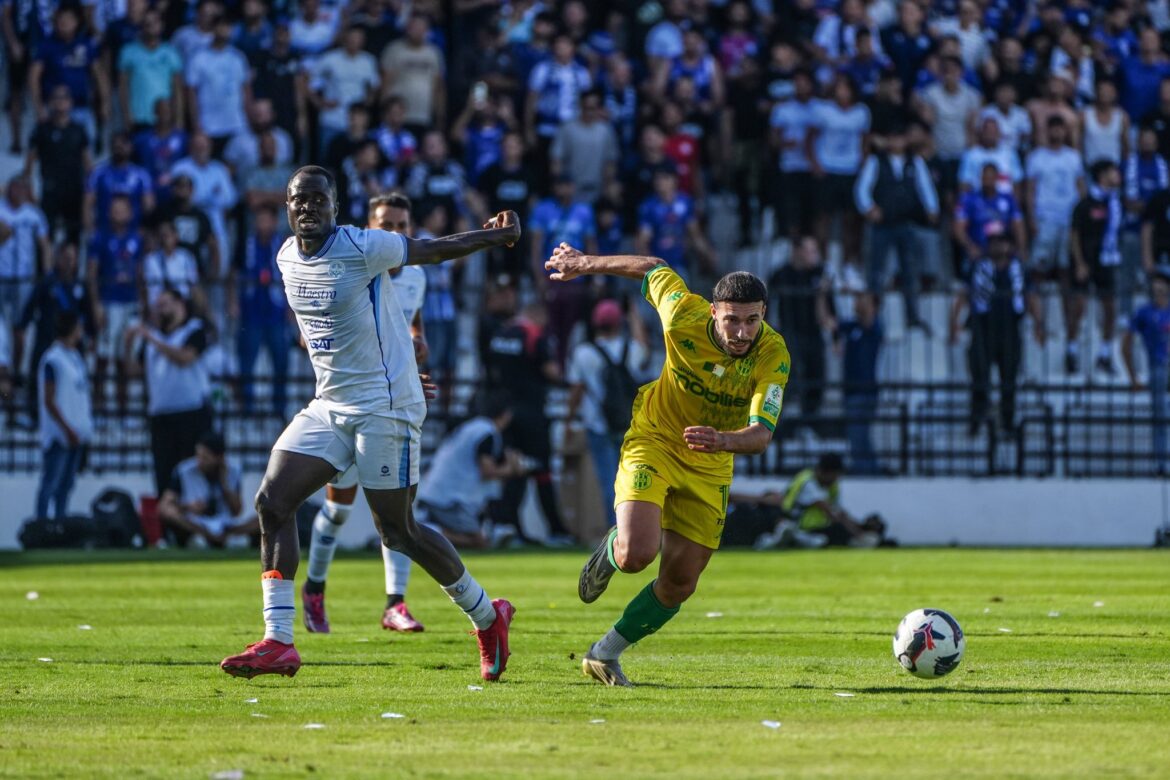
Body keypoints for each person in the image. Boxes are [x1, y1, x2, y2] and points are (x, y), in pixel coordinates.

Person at [219, 166, 520, 682]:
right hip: (329, 405)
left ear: (336, 207)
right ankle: (278, 640)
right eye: (299, 200)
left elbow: (432, 249)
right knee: (272, 501)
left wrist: (494, 236)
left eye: (318, 199)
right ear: (287, 209)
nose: (308, 207)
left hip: (386, 407)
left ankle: (488, 618)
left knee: (398, 531)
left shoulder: (363, 246)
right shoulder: (286, 255)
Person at [544, 243, 790, 687]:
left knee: (680, 581)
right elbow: (653, 267)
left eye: (752, 320)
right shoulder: (683, 314)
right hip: (657, 438)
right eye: (732, 319)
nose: (741, 332)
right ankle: (613, 548)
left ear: (763, 314)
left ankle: (604, 654)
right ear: (713, 311)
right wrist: (583, 265)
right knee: (637, 554)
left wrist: (723, 441)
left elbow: (761, 434)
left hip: (711, 461)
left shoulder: (773, 353)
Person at [301, 192, 433, 635]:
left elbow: (412, 326)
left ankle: (395, 603)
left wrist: (417, 348)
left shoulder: (414, 276)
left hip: (390, 404)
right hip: (346, 400)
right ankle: (314, 589)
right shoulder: (347, 266)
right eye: (385, 224)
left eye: (401, 224)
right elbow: (313, 334)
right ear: (369, 227)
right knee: (339, 510)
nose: (394, 233)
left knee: (397, 511)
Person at [483, 301, 575, 546]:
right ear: (538, 314)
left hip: (505, 414)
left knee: (515, 469)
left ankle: (510, 528)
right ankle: (556, 531)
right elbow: (551, 371)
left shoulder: (500, 333)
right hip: (532, 413)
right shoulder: (534, 334)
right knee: (541, 470)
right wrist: (566, 379)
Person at [949, 229, 1045, 437]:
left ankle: (1007, 423)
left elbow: (1031, 296)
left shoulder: (1019, 267)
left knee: (1009, 378)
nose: (998, 246)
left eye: (1002, 241)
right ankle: (977, 420)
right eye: (993, 241)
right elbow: (963, 293)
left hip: (1010, 328)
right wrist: (954, 323)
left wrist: (1039, 325)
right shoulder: (977, 266)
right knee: (979, 376)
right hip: (982, 327)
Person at [565, 298, 652, 526]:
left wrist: (568, 422)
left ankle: (615, 531)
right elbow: (644, 348)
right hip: (628, 424)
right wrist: (633, 314)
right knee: (631, 480)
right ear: (618, 323)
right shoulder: (630, 349)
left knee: (608, 481)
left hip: (597, 425)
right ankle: (632, 528)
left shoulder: (584, 352)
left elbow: (576, 391)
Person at [125, 289, 213, 496]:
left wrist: (151, 338)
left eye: (165, 304)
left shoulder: (195, 329)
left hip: (191, 414)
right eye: (158, 306)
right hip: (161, 417)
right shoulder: (152, 337)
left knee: (191, 476)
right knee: (163, 476)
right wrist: (127, 344)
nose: (160, 310)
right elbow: (133, 370)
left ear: (179, 303)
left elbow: (184, 358)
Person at [855, 122, 939, 331]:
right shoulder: (876, 160)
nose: (896, 142)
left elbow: (925, 186)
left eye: (900, 138)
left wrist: (932, 207)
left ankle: (912, 316)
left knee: (910, 271)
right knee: (876, 272)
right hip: (882, 225)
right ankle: (873, 316)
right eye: (892, 138)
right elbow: (862, 188)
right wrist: (868, 208)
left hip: (906, 223)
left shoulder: (915, 161)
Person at [415, 392, 527, 548]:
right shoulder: (488, 432)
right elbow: (487, 471)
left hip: (436, 492)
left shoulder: (472, 427)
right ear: (506, 414)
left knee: (477, 539)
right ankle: (425, 533)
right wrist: (512, 469)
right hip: (450, 499)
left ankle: (427, 531)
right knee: (479, 543)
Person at [750, 454, 889, 549]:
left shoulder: (831, 486)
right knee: (838, 531)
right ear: (824, 472)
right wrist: (858, 534)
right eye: (835, 475)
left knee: (841, 529)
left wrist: (860, 526)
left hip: (814, 525)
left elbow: (839, 512)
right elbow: (829, 511)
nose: (836, 479)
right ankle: (798, 537)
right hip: (800, 523)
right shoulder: (808, 482)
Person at [35, 310, 92, 521]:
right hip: (61, 434)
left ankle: (59, 525)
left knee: (66, 486)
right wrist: (66, 429)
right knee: (50, 484)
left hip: (76, 432)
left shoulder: (75, 357)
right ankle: (41, 526)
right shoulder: (53, 359)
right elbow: (49, 400)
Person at [1070, 160, 1125, 375]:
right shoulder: (1085, 204)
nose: (1117, 176)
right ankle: (1071, 351)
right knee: (1079, 307)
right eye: (1113, 172)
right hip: (1087, 259)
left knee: (1110, 308)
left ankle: (1105, 354)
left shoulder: (1115, 203)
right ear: (1103, 176)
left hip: (1107, 260)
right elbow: (1074, 235)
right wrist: (1080, 262)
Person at [159, 431, 259, 547]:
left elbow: (236, 511)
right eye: (198, 455)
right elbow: (164, 506)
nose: (199, 461)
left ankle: (219, 538)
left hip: (225, 524)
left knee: (262, 519)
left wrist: (224, 484)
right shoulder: (184, 470)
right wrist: (188, 507)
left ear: (219, 458)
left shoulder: (233, 471)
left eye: (205, 457)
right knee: (170, 512)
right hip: (196, 523)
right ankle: (209, 537)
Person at [1121, 267, 1170, 474]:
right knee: (1160, 414)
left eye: (1163, 281)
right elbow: (1126, 344)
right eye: (1155, 281)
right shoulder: (1144, 313)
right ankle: (1161, 462)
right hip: (1159, 367)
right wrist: (1133, 377)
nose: (1158, 286)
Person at [839, 292, 883, 473]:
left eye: (864, 300)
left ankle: (866, 471)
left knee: (859, 433)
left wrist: (862, 301)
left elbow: (867, 318)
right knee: (856, 433)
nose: (858, 303)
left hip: (865, 390)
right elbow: (828, 323)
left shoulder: (875, 326)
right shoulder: (852, 326)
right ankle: (868, 469)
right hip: (851, 389)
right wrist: (822, 296)